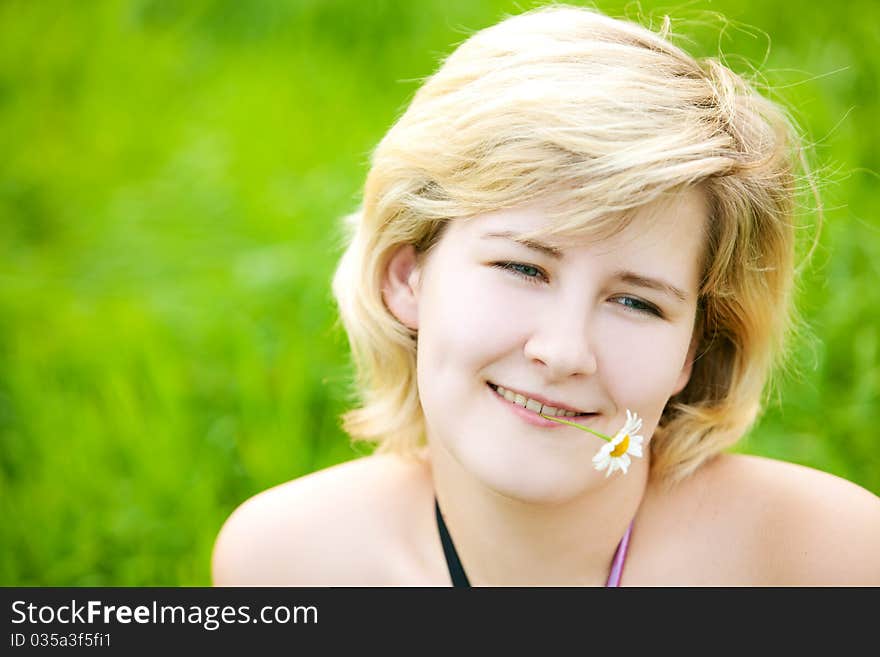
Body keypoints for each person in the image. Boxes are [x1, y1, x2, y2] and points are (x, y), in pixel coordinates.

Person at [211, 4, 880, 586]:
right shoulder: (284, 562)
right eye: (523, 268)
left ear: (693, 351)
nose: (564, 352)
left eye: (637, 302)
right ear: (406, 278)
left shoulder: (826, 560)